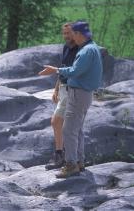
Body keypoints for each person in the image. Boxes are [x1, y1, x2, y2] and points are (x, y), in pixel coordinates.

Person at [38, 21, 103, 178]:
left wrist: (56, 70)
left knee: (68, 130)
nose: (71, 36)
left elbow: (75, 71)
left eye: (73, 33)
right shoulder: (90, 48)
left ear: (79, 34)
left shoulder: (86, 51)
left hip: (78, 93)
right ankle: (79, 162)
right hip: (82, 92)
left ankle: (71, 165)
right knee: (77, 129)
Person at [45, 23, 78, 170]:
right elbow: (62, 69)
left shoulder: (80, 49)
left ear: (75, 33)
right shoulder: (66, 48)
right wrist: (56, 89)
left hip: (73, 90)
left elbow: (74, 71)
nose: (66, 36)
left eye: (68, 33)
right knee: (59, 123)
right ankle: (62, 156)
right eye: (64, 33)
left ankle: (64, 157)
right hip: (64, 89)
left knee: (57, 121)